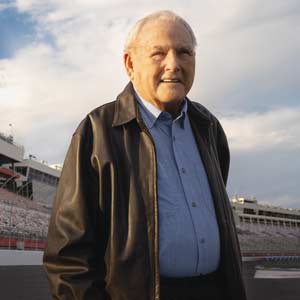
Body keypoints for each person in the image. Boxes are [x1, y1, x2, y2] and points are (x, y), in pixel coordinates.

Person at [43, 10, 247, 300]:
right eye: (158, 53)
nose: (173, 64)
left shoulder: (209, 127)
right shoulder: (97, 131)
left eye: (184, 52)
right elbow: (68, 257)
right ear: (130, 64)